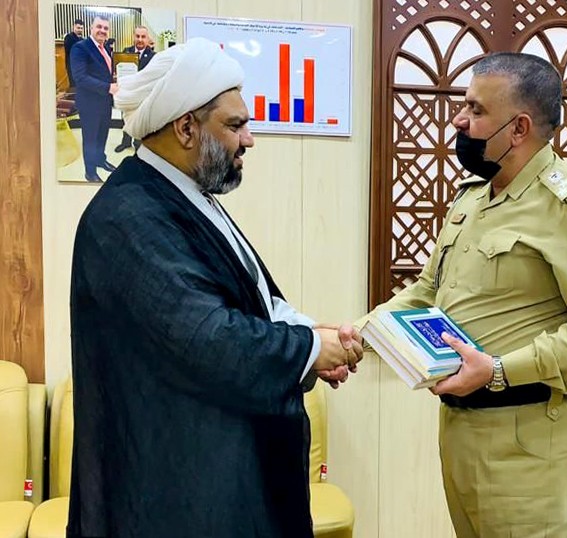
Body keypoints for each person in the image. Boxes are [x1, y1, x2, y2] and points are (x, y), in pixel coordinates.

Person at [68, 37, 360, 538]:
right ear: (186, 128)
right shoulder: (126, 216)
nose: (249, 140)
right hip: (179, 494)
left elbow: (248, 299)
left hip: (221, 481)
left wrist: (310, 334)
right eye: (235, 125)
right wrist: (309, 348)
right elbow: (207, 339)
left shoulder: (184, 195)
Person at [362, 52, 567, 537]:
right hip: (462, 431)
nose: (459, 120)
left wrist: (497, 371)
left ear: (518, 128)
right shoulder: (475, 196)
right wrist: (359, 333)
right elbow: (429, 290)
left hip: (530, 442)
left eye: (475, 109)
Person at [70, 15, 117, 182]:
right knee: (90, 138)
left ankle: (100, 160)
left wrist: (114, 78)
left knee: (102, 134)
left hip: (105, 101)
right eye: (99, 27)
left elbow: (103, 72)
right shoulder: (80, 48)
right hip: (89, 103)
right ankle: (90, 172)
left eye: (105, 28)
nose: (102, 30)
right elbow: (80, 78)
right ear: (91, 28)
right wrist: (108, 87)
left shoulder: (106, 49)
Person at [114, 26, 155, 153]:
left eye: (143, 37)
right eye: (137, 36)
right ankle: (125, 142)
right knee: (125, 118)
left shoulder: (153, 56)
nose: (140, 39)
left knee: (139, 120)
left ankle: (138, 144)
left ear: (147, 39)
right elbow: (118, 70)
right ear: (133, 37)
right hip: (127, 93)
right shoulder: (126, 52)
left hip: (142, 96)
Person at [63, 18, 84, 88]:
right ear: (73, 27)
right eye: (78, 28)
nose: (80, 30)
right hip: (72, 65)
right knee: (73, 85)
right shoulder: (69, 37)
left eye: (81, 28)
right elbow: (70, 49)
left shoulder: (82, 40)